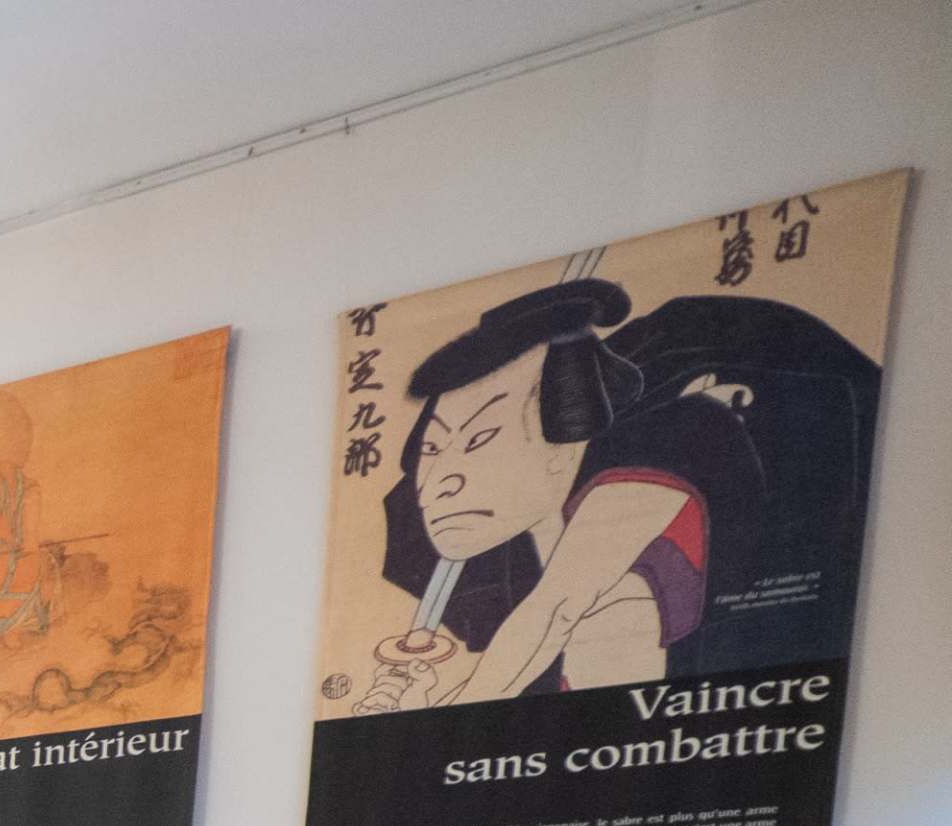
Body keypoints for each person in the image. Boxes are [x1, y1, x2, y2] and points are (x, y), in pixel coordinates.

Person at [362, 273, 880, 709]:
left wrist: (444, 720)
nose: (441, 480)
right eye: (432, 448)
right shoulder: (527, 558)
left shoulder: (660, 442)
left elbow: (555, 610)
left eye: (480, 439)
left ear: (564, 441)